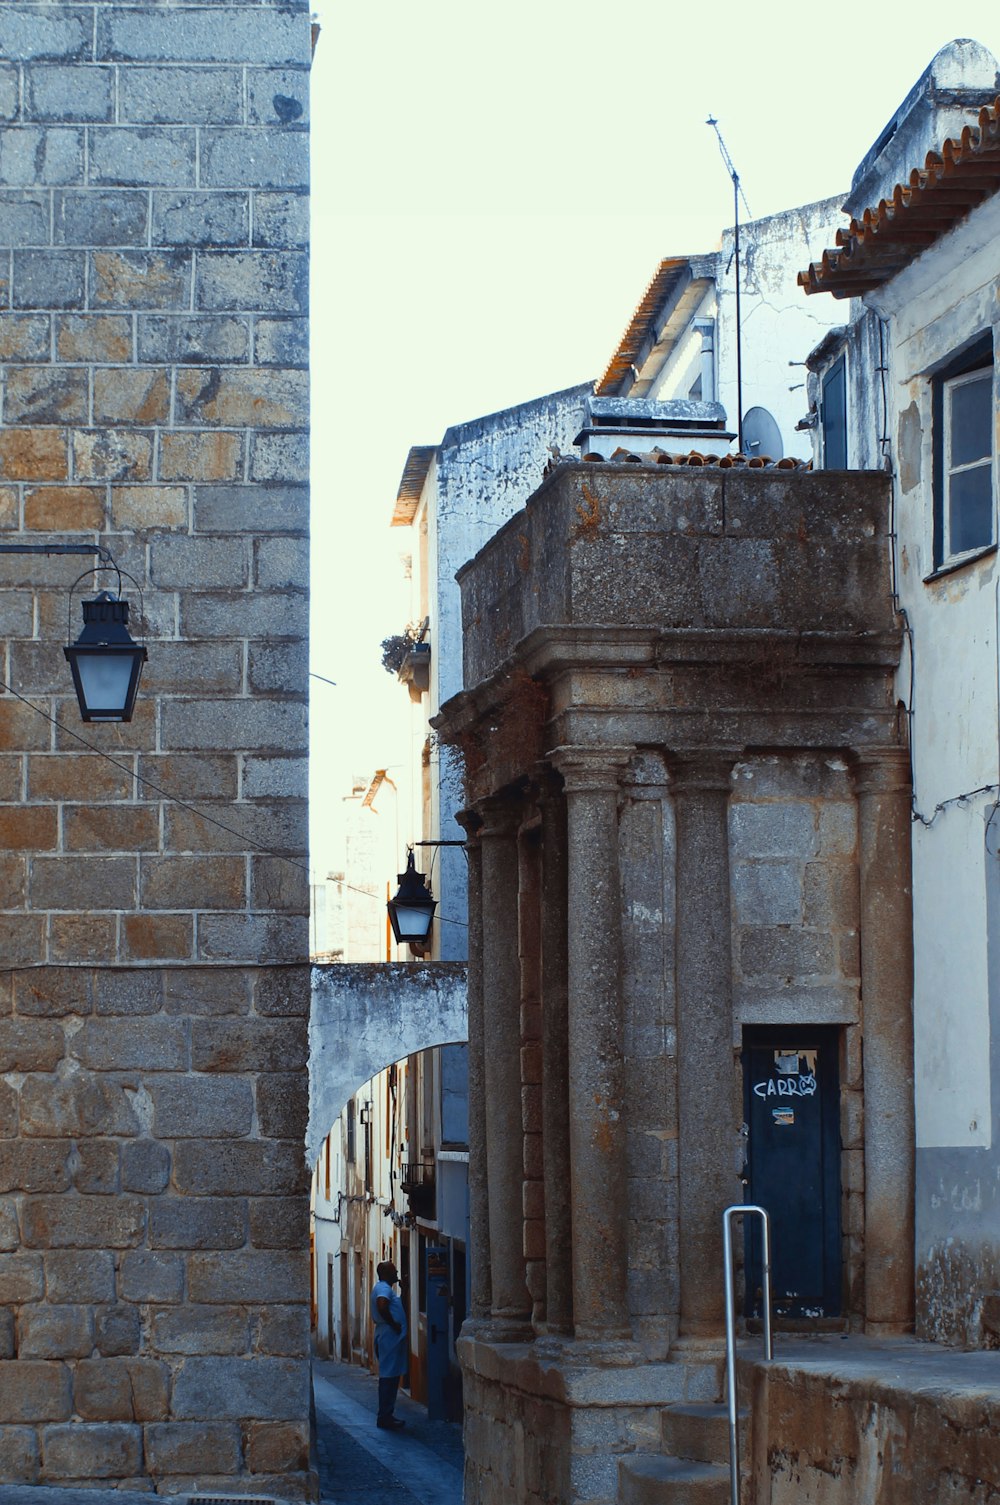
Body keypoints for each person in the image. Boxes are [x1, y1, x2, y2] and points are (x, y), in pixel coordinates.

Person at [370, 1259, 408, 1430]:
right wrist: (393, 1324)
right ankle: (385, 1416)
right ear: (386, 1274)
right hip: (388, 1336)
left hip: (389, 1336)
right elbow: (382, 1305)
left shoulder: (385, 1288)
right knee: (388, 1377)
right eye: (394, 1271)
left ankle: (387, 1414)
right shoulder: (384, 1288)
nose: (397, 1273)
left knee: (391, 1376)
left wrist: (404, 1288)